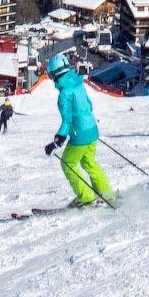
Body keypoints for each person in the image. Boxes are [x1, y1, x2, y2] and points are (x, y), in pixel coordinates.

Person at [42, 52, 114, 208]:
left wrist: (57, 142)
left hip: (79, 135)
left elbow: (67, 121)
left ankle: (86, 196)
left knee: (68, 164)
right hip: (92, 129)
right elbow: (89, 105)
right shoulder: (78, 83)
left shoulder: (64, 94)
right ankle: (106, 192)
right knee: (89, 162)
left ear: (55, 75)